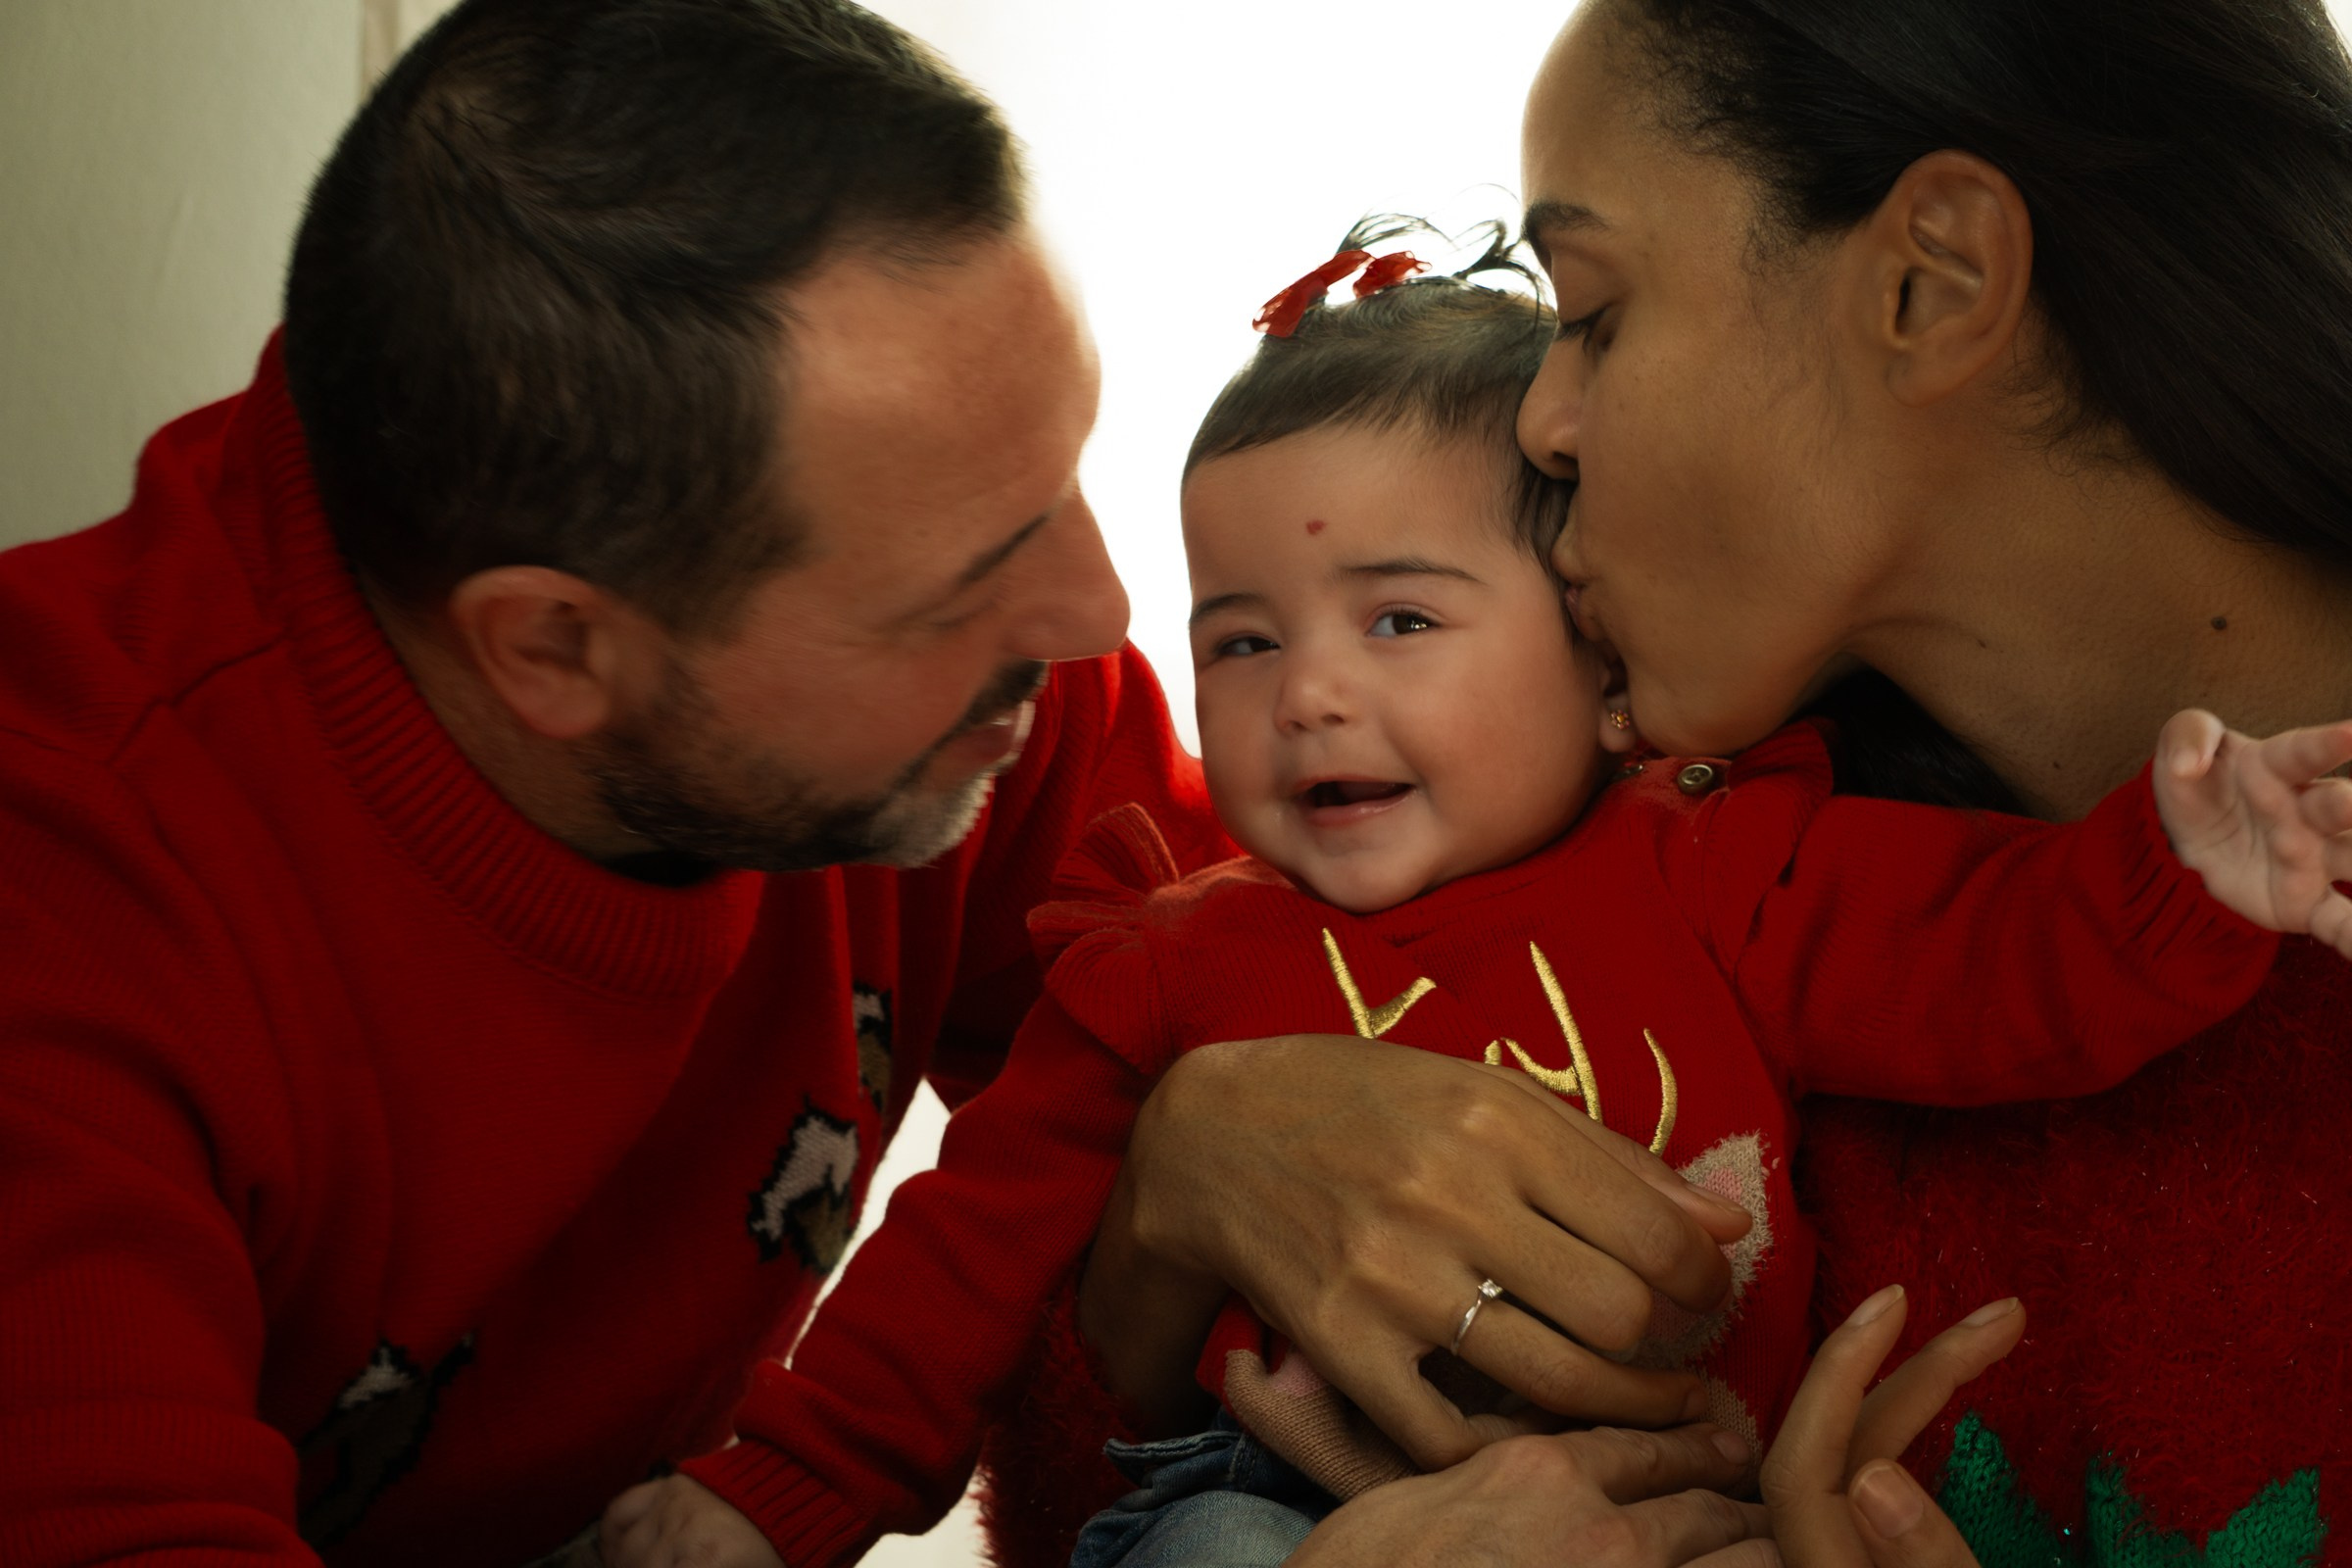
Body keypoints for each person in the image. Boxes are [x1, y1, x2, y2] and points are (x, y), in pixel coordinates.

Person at [598, 230, 2352, 1568]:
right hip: (1262, 1505)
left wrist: (2188, 866)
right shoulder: (1165, 957)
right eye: (1242, 640)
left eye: (1404, 621)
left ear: (1601, 660)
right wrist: (769, 1507)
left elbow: (1987, 961)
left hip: (1681, 1516)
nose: (1310, 697)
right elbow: (955, 1270)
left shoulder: (1713, 860)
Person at [0, 0, 1231, 1561]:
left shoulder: (983, 678)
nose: (1094, 616)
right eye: (959, 582)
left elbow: (1291, 1008)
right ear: (556, 648)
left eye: (1057, 472)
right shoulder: (68, 901)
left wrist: (1226, 1139)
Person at [1501, 0, 2352, 1557]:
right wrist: (1203, 1155)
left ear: (1934, 279)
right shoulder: (1693, 910)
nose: (1542, 423)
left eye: (1594, 312)